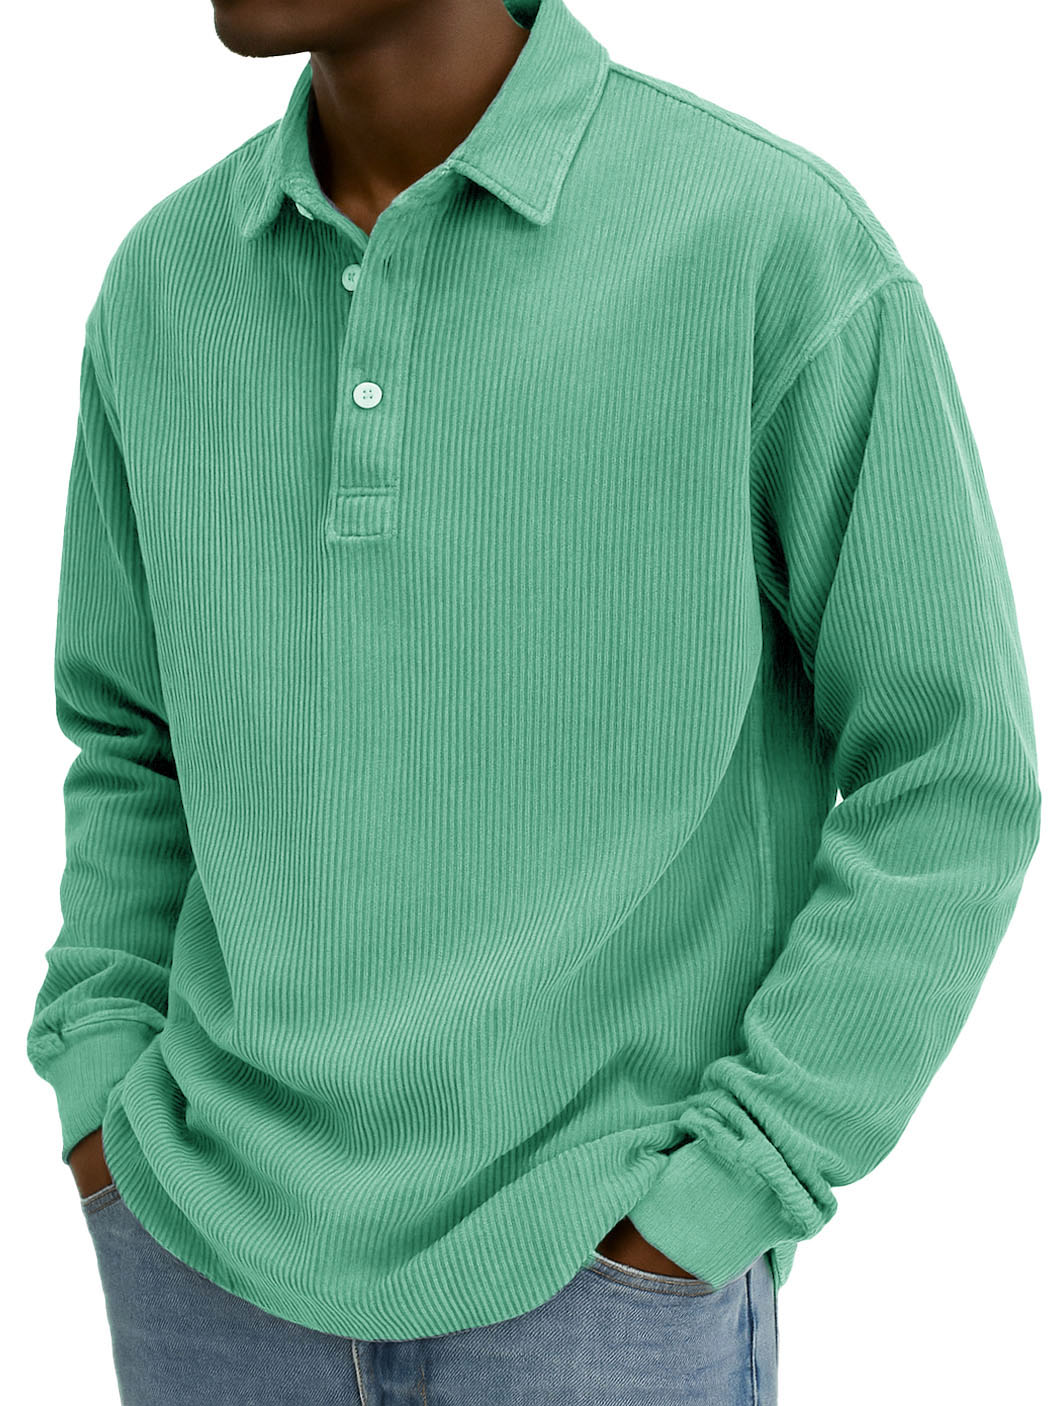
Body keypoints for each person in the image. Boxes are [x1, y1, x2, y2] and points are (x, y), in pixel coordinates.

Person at [27, 0, 1041, 1401]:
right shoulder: (165, 281)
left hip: (598, 1285)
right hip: (200, 1258)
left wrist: (733, 1182)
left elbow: (949, 771)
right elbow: (130, 741)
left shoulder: (761, 243)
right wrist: (100, 1087)